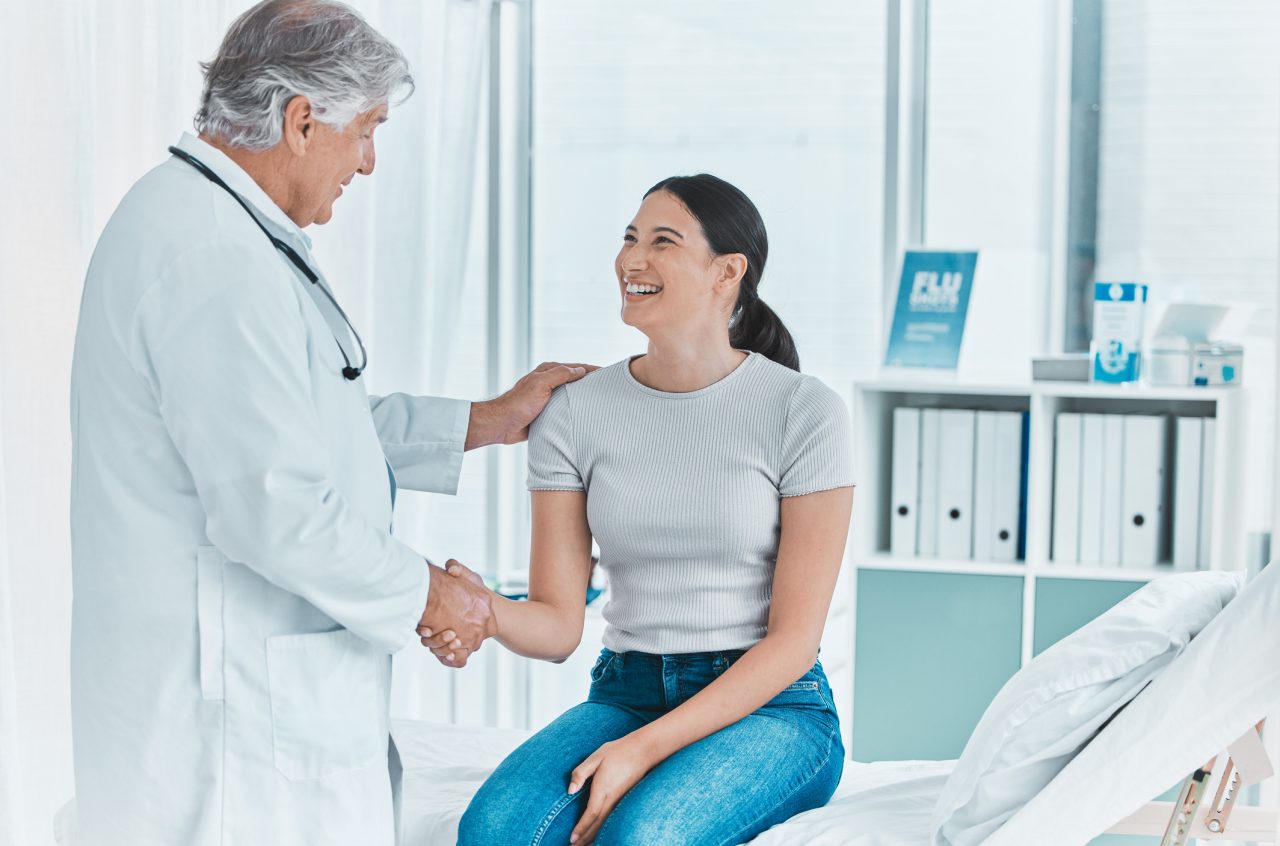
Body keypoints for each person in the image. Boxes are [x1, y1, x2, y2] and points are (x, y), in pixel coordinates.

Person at [68, 2, 588, 844]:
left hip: (241, 697)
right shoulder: (215, 260)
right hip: (231, 730)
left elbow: (301, 425)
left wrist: (486, 422)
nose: (370, 162)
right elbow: (276, 508)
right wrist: (433, 594)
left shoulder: (207, 225)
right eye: (367, 131)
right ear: (302, 121)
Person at [429, 174, 855, 845]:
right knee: (494, 832)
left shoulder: (804, 411)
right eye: (630, 238)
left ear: (727, 273)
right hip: (627, 693)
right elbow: (557, 624)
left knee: (641, 837)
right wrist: (482, 612)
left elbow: (793, 643)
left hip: (773, 708)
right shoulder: (574, 410)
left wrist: (642, 750)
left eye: (663, 241)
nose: (633, 258)